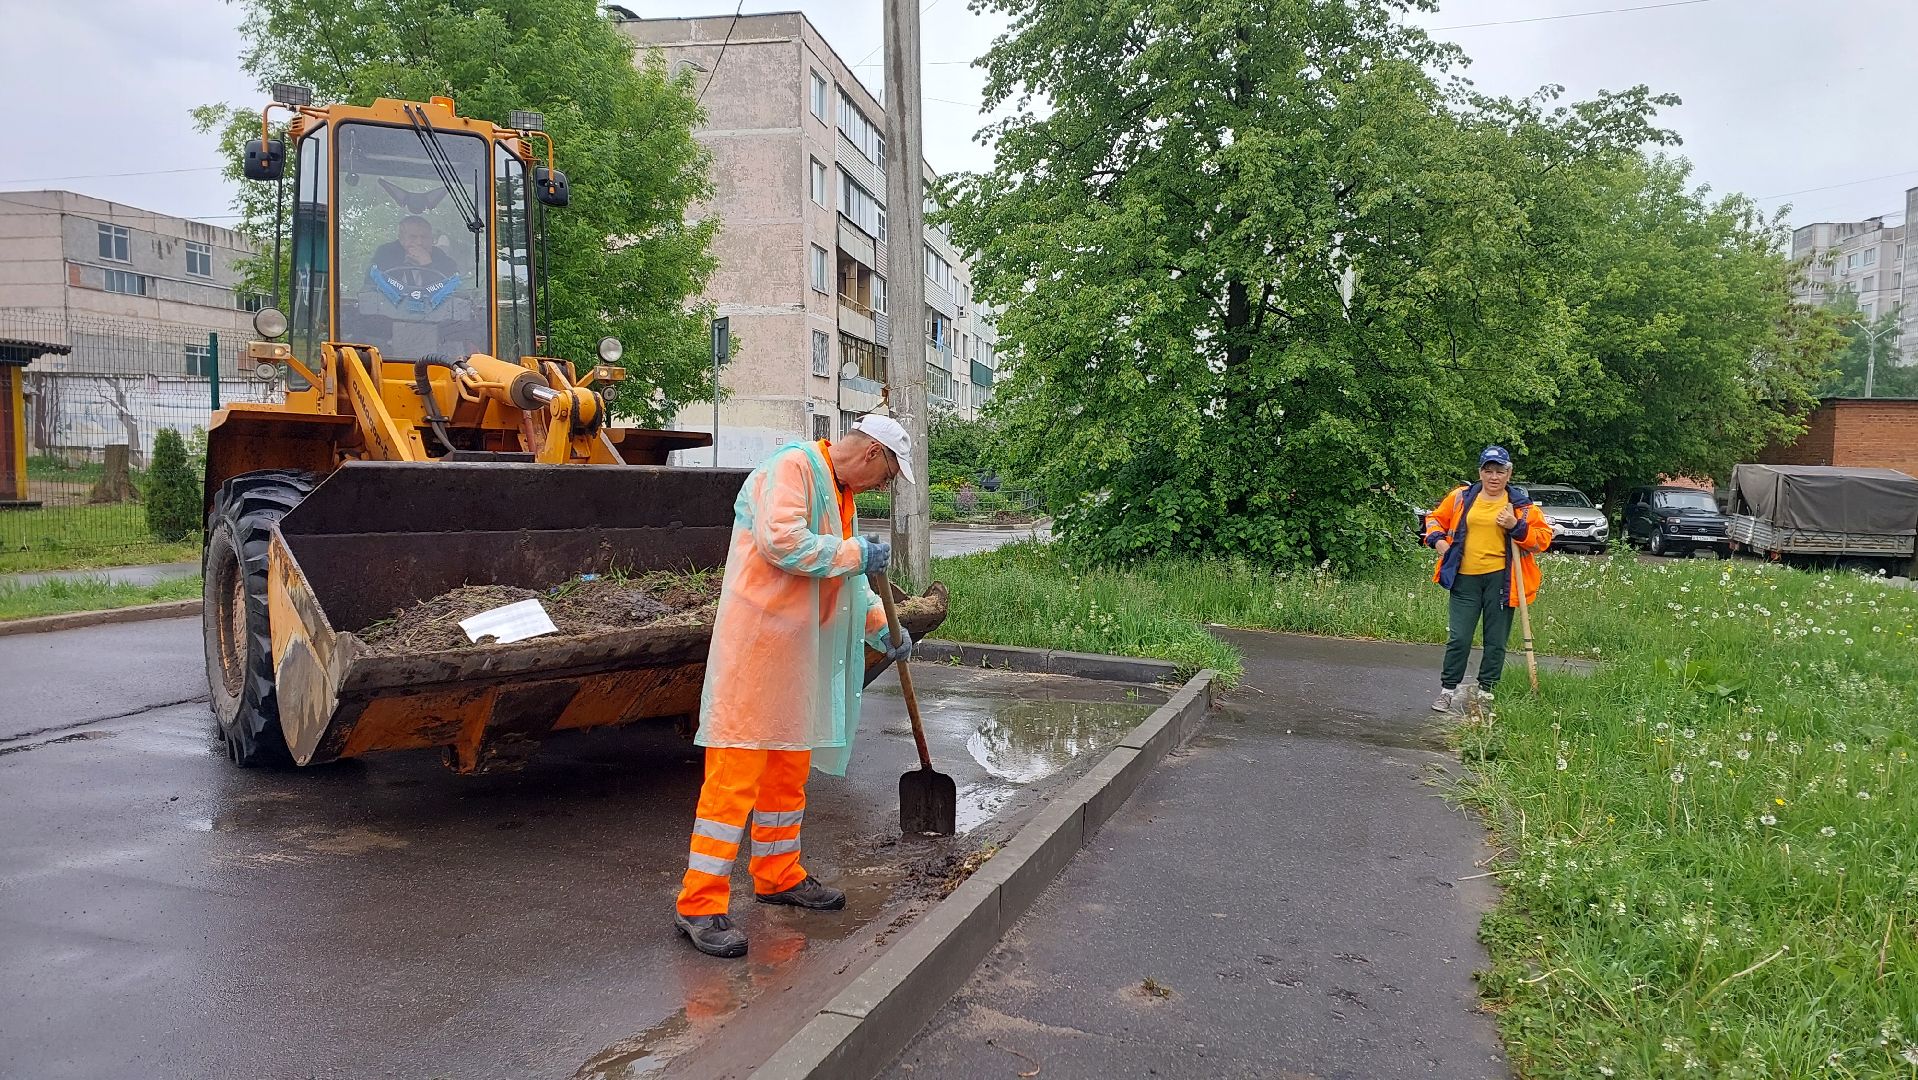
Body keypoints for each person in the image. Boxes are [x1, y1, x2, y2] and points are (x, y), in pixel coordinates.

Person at [673, 414, 917, 958]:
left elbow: (845, 580)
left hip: (795, 657)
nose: (883, 487)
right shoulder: (792, 468)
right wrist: (857, 555)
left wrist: (883, 627)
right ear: (874, 453)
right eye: (889, 475)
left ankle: (778, 874)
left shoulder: (838, 492)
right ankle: (699, 904)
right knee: (733, 780)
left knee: (787, 773)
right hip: (758, 654)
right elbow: (784, 544)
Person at [1420, 446, 1553, 712]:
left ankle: (1486, 694)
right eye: (1488, 470)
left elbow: (1542, 540)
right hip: (1465, 579)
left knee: (1495, 641)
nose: (1494, 477)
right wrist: (1438, 542)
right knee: (1459, 638)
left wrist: (1516, 526)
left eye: (1500, 471)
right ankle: (1448, 690)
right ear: (1480, 472)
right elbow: (1434, 519)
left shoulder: (1521, 507)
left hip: (1502, 581)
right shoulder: (1460, 498)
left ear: (1509, 473)